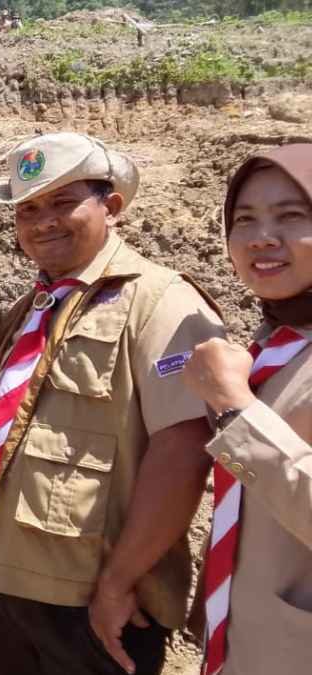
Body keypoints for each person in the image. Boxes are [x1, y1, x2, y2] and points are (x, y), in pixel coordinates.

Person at [0, 132, 225, 675]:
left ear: (113, 206)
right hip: (15, 584)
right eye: (27, 208)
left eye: (62, 202)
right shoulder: (31, 308)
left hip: (97, 600)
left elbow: (184, 449)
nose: (42, 221)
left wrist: (120, 581)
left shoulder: (160, 300)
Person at [181, 144, 312, 675]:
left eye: (292, 216)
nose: (262, 238)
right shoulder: (277, 339)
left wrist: (235, 407)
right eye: (244, 219)